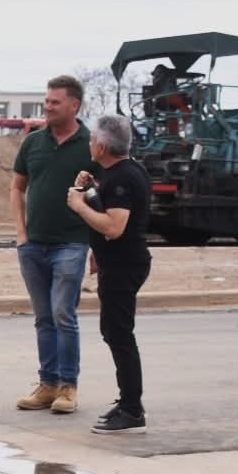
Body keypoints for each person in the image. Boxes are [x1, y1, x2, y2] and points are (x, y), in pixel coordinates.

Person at [66, 114, 152, 433]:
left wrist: (79, 204)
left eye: (91, 139)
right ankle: (128, 402)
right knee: (114, 332)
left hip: (124, 264)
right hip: (118, 262)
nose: (89, 143)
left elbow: (115, 227)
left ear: (101, 145)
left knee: (119, 334)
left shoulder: (121, 177)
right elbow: (108, 213)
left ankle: (132, 408)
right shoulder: (122, 172)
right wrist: (88, 192)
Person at [11, 74, 92, 415]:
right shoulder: (33, 142)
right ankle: (47, 384)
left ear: (74, 105)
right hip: (33, 245)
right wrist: (21, 234)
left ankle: (68, 387)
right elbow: (18, 187)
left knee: (63, 314)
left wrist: (98, 247)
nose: (47, 107)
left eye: (54, 102)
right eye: (46, 101)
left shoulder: (91, 143)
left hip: (71, 244)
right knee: (44, 317)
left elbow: (105, 197)